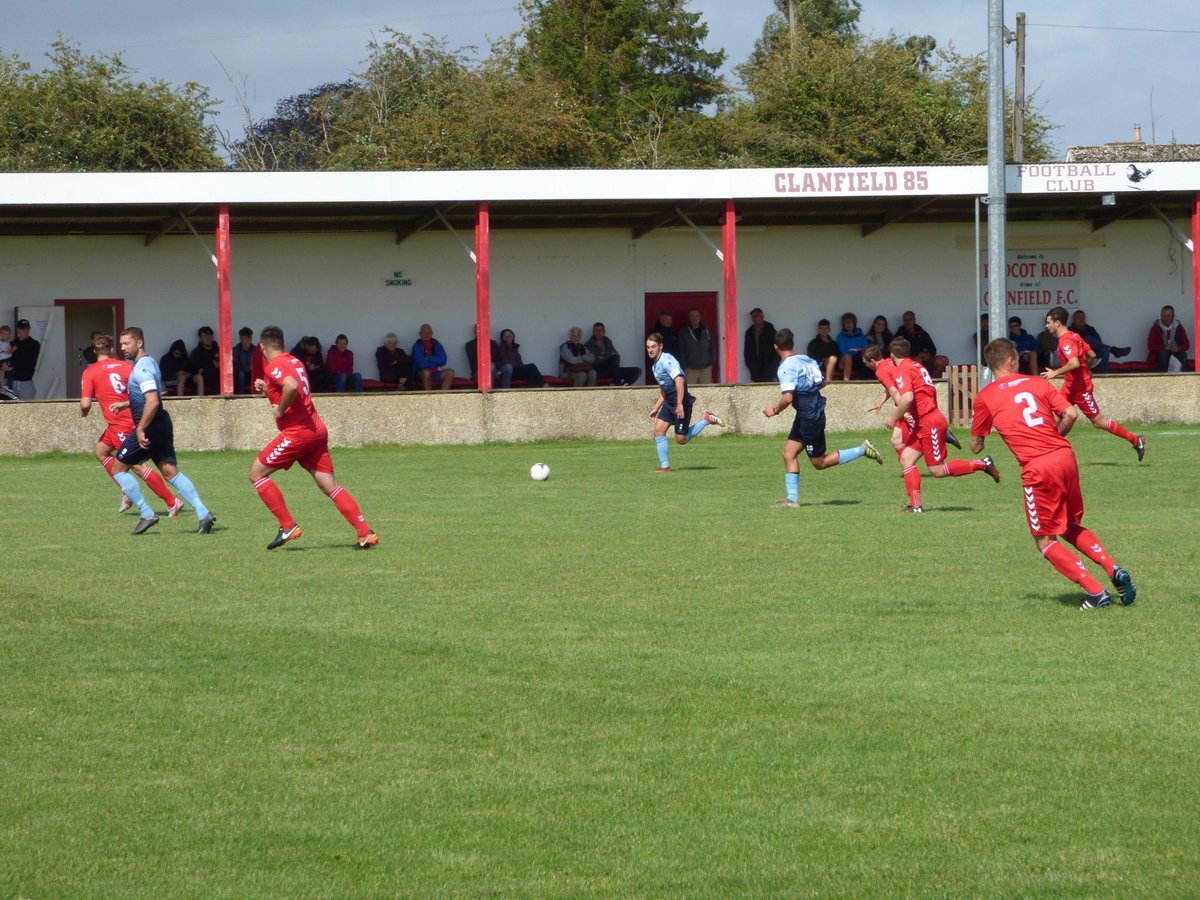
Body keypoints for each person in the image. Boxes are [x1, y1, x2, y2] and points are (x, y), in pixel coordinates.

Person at [971, 338, 1137, 610]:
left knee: (1045, 539)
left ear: (992, 364)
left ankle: (1096, 592)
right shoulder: (1039, 383)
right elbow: (1070, 414)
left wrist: (979, 440)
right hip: (1065, 457)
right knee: (1070, 526)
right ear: (1013, 360)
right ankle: (1113, 568)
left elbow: (977, 443)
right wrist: (1052, 438)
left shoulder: (986, 397)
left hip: (1038, 467)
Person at [249, 325, 378, 551]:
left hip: (298, 432)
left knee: (256, 474)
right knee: (330, 485)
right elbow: (291, 387)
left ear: (261, 347)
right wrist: (267, 389)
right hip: (316, 429)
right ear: (284, 344)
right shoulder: (295, 362)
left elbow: (290, 386)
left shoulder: (274, 366)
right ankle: (365, 532)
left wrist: (279, 409)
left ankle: (287, 526)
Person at [110, 327, 215, 535]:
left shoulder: (142, 368)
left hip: (150, 427)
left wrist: (140, 428)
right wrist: (126, 404)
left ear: (139, 343)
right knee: (169, 471)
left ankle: (147, 514)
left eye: (126, 343)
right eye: (121, 344)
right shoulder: (148, 363)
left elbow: (152, 400)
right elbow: (149, 395)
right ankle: (204, 514)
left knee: (118, 469)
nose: (122, 348)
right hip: (160, 424)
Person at [762, 328, 882, 506]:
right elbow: (823, 382)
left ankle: (862, 450)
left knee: (819, 462)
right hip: (807, 413)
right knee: (789, 453)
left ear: (775, 347)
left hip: (810, 416)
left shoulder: (785, 367)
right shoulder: (807, 360)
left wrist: (775, 410)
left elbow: (787, 398)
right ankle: (792, 500)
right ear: (792, 344)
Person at [880, 337, 999, 513]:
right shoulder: (917, 366)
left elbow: (907, 397)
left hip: (929, 422)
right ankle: (916, 506)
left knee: (936, 470)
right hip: (925, 421)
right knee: (906, 458)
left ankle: (983, 463)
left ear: (891, 355)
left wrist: (894, 416)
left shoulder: (902, 370)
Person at [79, 333, 182, 516]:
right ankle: (126, 490)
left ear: (95, 351)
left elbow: (86, 404)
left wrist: (83, 412)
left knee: (136, 466)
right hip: (127, 419)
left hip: (121, 423)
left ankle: (171, 501)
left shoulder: (90, 371)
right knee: (101, 451)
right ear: (112, 350)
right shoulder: (126, 366)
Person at [1042, 306, 1145, 461]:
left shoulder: (1065, 340)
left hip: (1080, 389)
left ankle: (1136, 440)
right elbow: (1092, 354)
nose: (1046, 325)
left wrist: (1055, 373)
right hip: (1070, 386)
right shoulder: (1074, 336)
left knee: (1098, 422)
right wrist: (1087, 369)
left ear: (1057, 323)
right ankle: (1048, 450)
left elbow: (1074, 362)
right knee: (1055, 416)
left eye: (1048, 322)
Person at [646, 331, 725, 471]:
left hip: (681, 403)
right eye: (648, 347)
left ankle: (707, 419)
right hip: (670, 404)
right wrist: (656, 408)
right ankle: (665, 467)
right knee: (658, 431)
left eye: (653, 347)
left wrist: (680, 404)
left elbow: (680, 380)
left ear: (661, 346)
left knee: (680, 439)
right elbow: (665, 390)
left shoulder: (667, 361)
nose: (650, 350)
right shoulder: (655, 366)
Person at [1070, 310, 1130, 374]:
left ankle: (1103, 373)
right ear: (1074, 319)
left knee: (1105, 349)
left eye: (1083, 318)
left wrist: (1091, 349)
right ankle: (1113, 350)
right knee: (1087, 338)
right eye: (1078, 317)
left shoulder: (1090, 329)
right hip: (1080, 355)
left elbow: (1098, 342)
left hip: (1093, 353)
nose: (1081, 319)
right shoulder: (1070, 330)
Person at [895, 310, 948, 379]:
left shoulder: (923, 333)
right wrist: (918, 354)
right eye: (905, 320)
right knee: (917, 360)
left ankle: (932, 380)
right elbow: (900, 351)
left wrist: (928, 354)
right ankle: (920, 383)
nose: (907, 322)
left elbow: (933, 349)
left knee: (943, 360)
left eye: (910, 319)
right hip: (910, 360)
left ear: (914, 320)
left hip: (926, 360)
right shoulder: (900, 334)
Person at [1147, 304, 1190, 373]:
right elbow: (1151, 346)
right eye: (1164, 316)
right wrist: (1166, 347)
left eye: (1169, 316)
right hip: (1160, 357)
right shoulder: (1155, 328)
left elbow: (1187, 345)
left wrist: (1178, 347)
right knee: (1163, 354)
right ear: (1160, 315)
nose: (1166, 318)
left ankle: (1184, 377)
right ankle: (1164, 378)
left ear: (1173, 316)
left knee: (1182, 353)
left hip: (1176, 354)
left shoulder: (1179, 327)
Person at [411, 323, 455, 390]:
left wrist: (428, 358)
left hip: (435, 372)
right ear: (420, 334)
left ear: (432, 333)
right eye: (424, 332)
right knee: (427, 372)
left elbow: (443, 360)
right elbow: (421, 365)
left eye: (429, 332)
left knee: (450, 372)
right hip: (421, 374)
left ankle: (442, 396)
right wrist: (436, 362)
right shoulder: (416, 346)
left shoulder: (436, 344)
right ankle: (429, 396)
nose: (427, 334)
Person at [678, 307, 716, 384]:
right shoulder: (684, 332)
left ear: (700, 316)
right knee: (691, 393)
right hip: (690, 370)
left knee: (706, 393)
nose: (695, 318)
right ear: (689, 317)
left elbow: (712, 347)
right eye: (692, 316)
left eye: (696, 316)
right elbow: (681, 350)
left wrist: (711, 363)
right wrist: (684, 366)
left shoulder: (707, 330)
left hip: (706, 369)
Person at [8, 318, 41, 400]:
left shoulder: (34, 344)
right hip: (11, 381)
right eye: (22, 329)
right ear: (18, 329)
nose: (25, 331)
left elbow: (30, 362)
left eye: (27, 328)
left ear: (29, 329)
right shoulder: (12, 343)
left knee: (27, 407)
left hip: (26, 380)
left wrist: (12, 363)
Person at [743, 307, 779, 383]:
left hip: (769, 369)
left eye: (757, 316)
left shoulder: (771, 331)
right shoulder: (749, 333)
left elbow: (777, 350)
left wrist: (773, 367)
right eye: (753, 317)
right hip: (755, 370)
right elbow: (747, 351)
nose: (754, 318)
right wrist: (750, 365)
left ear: (762, 316)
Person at [834, 312, 869, 381]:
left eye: (850, 322)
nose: (848, 325)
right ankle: (846, 381)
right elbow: (843, 350)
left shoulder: (860, 334)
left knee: (865, 355)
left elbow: (866, 346)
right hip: (845, 360)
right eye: (846, 323)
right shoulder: (841, 336)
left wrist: (861, 351)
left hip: (859, 357)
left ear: (854, 323)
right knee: (848, 357)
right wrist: (855, 350)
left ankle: (865, 380)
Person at [190, 325, 220, 395]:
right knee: (210, 368)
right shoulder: (196, 352)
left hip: (220, 376)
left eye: (210, 335)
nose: (208, 338)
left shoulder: (220, 350)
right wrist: (211, 364)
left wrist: (220, 365)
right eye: (205, 336)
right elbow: (196, 369)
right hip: (205, 378)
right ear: (200, 338)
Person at [233, 326, 256, 394]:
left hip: (252, 373)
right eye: (244, 337)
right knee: (241, 374)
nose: (247, 340)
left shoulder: (255, 349)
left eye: (249, 337)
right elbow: (235, 364)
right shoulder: (236, 350)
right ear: (240, 339)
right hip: (239, 374)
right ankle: (240, 395)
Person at [0, 324, 14, 399]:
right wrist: (14, 349)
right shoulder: (2, 342)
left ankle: (7, 385)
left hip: (6, 359)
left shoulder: (6, 341)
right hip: (3, 360)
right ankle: (7, 385)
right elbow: (7, 351)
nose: (7, 336)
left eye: (8, 334)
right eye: (5, 334)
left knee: (11, 370)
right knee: (11, 369)